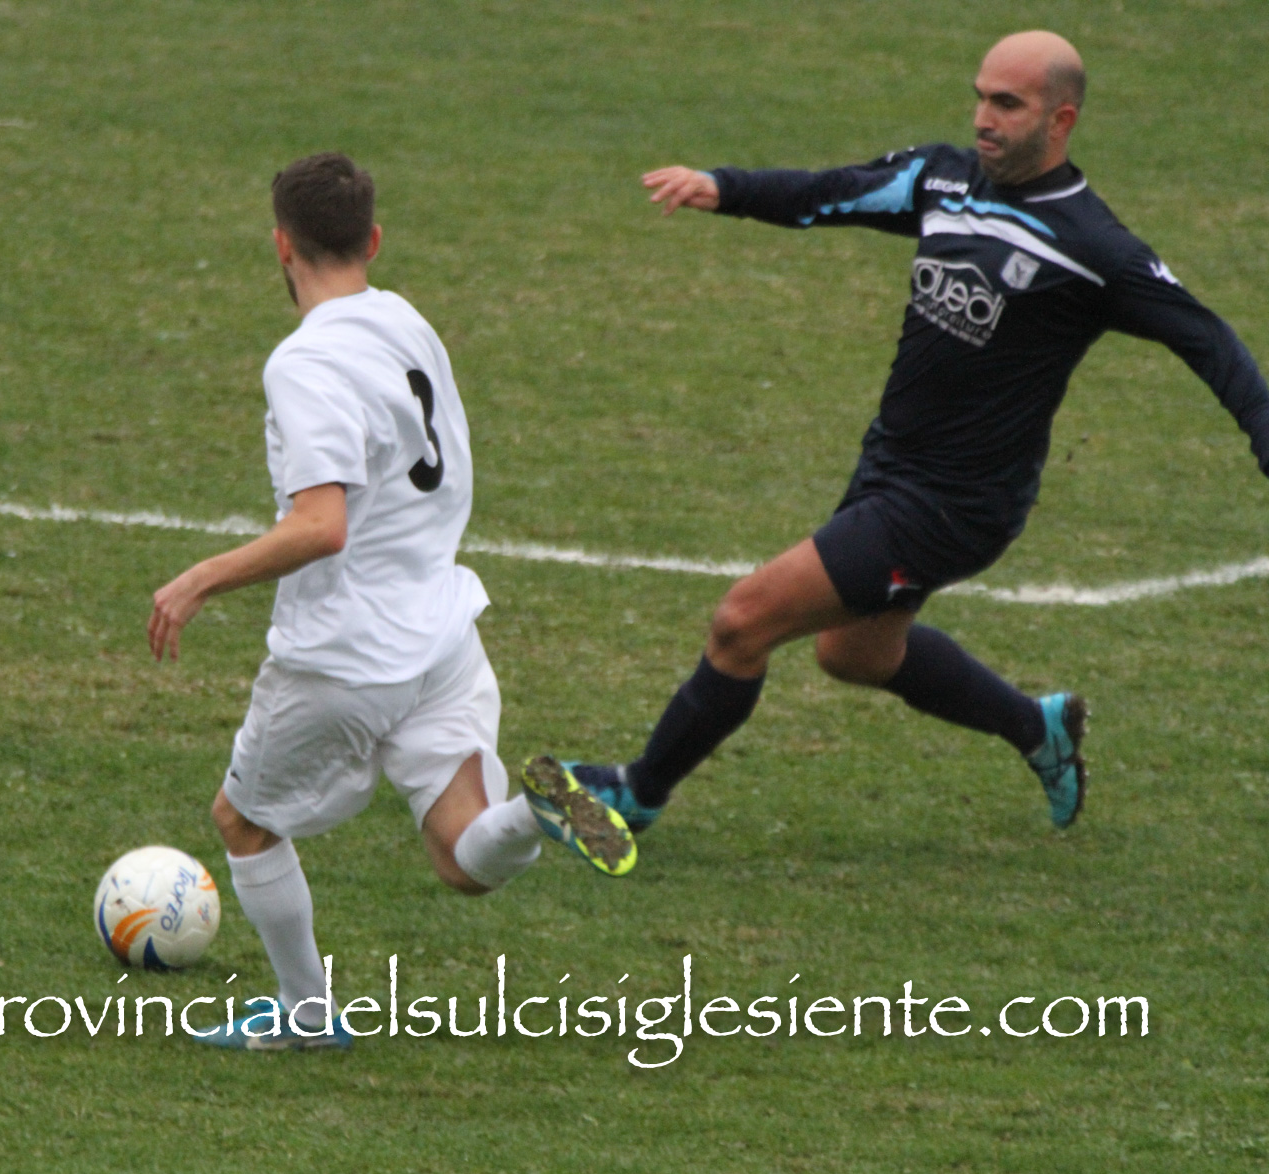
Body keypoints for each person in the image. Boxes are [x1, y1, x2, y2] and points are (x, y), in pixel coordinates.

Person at [524, 31, 1269, 838]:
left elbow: (1209, 341)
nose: (983, 118)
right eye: (980, 97)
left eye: (1007, 104)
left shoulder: (1097, 251)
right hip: (891, 465)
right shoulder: (943, 179)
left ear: (1061, 120)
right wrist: (724, 186)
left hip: (954, 504)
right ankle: (1037, 727)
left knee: (743, 620)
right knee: (855, 655)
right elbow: (832, 191)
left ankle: (632, 797)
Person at [149, 153, 634, 1052]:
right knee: (464, 856)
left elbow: (321, 525)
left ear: (281, 246)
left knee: (243, 821)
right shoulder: (408, 322)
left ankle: (305, 1017)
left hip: (344, 654)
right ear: (372, 240)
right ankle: (536, 809)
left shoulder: (304, 363)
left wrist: (200, 577)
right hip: (441, 636)